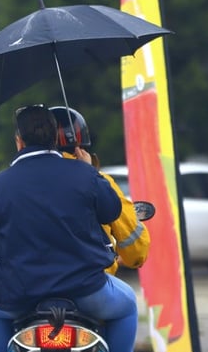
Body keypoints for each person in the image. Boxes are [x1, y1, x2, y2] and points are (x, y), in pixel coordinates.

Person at [0, 104, 139, 352]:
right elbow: (112, 210)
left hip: (19, 296)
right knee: (127, 305)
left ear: (19, 141)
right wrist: (89, 170)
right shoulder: (83, 175)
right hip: (86, 292)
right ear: (57, 139)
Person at [49, 105, 150, 275]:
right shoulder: (100, 183)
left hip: (31, 287)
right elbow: (136, 251)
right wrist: (88, 173)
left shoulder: (16, 185)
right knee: (127, 300)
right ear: (80, 149)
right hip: (91, 284)